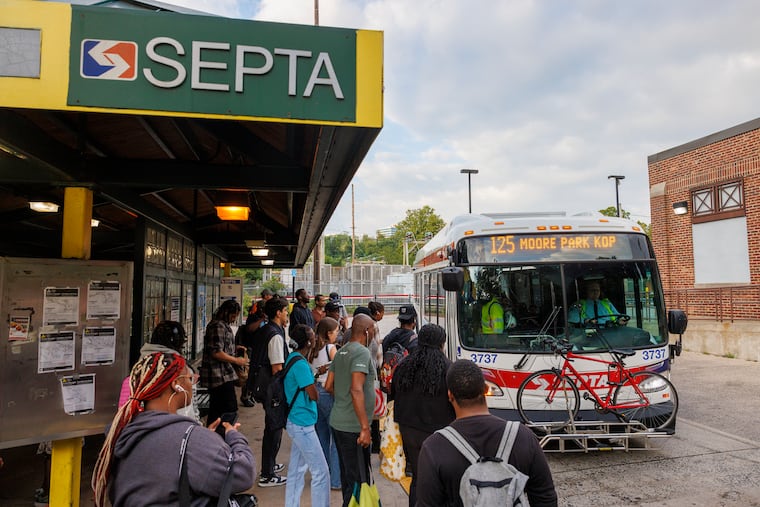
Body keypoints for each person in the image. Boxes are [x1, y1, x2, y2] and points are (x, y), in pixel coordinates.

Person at [92, 352, 255, 506]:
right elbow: (243, 474)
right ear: (176, 385)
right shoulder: (191, 439)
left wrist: (204, 441)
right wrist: (234, 437)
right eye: (190, 379)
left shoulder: (121, 432)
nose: (192, 384)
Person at [415, 360, 558, 507]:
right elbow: (545, 498)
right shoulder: (522, 436)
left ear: (450, 395)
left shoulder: (434, 447)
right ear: (485, 389)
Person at [390, 323, 455, 507]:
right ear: (442, 344)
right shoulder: (448, 368)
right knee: (440, 480)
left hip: (409, 430)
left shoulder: (404, 365)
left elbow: (393, 395)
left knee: (419, 477)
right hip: (439, 433)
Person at [325, 314, 377, 507]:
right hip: (354, 427)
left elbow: (328, 386)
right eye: (373, 329)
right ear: (366, 331)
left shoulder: (342, 351)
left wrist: (342, 401)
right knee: (358, 480)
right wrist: (365, 427)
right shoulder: (361, 352)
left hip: (339, 422)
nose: (374, 333)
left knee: (349, 477)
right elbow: (356, 389)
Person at [284, 324, 330, 507]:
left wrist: (316, 372)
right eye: (312, 335)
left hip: (295, 421)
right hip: (303, 424)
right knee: (321, 472)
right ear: (308, 341)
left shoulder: (293, 358)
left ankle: (291, 504)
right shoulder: (301, 365)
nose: (315, 338)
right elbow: (313, 394)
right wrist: (314, 381)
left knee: (296, 470)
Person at [118, 321, 199, 420]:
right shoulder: (180, 369)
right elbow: (189, 410)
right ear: (176, 384)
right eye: (189, 379)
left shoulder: (134, 375)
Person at [252, 296, 291, 487]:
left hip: (262, 385)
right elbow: (277, 367)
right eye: (285, 311)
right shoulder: (275, 335)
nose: (287, 315)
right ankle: (267, 474)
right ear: (278, 313)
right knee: (274, 428)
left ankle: (270, 465)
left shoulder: (265, 329)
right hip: (272, 387)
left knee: (272, 427)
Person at [199, 300, 247, 426]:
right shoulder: (218, 326)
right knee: (229, 409)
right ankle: (221, 433)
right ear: (226, 312)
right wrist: (236, 360)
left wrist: (233, 349)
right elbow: (216, 352)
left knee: (217, 409)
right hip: (219, 375)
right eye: (233, 315)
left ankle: (213, 433)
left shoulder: (221, 325)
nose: (234, 319)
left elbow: (220, 347)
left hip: (222, 374)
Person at [308, 316, 342, 491]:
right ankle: (336, 480)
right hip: (328, 392)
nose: (337, 335)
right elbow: (339, 365)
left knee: (321, 435)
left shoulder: (312, 348)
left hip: (315, 392)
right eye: (336, 332)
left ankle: (323, 475)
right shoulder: (330, 348)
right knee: (336, 438)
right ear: (329, 333)